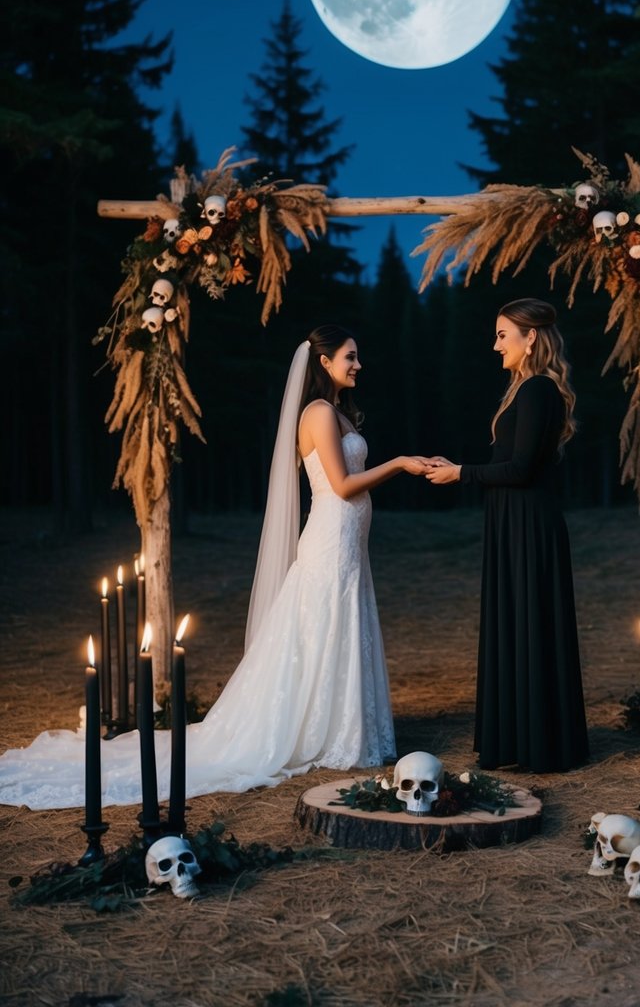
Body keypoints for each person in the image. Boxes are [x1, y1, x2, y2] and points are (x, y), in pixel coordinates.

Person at [0, 326, 428, 809]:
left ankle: (340, 727)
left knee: (337, 627)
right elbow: (343, 484)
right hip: (330, 541)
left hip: (348, 546)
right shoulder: (318, 413)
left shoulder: (340, 414)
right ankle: (317, 731)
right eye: (350, 357)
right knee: (320, 627)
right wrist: (400, 464)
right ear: (324, 362)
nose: (358, 365)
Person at [426, 298, 589, 774]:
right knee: (517, 624)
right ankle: (521, 739)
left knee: (530, 624)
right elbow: (507, 465)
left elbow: (519, 470)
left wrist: (461, 474)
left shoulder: (539, 390)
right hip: (511, 522)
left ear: (530, 337)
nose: (495, 344)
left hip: (529, 525)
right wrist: (458, 469)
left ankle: (541, 744)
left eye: (502, 334)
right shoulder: (524, 390)